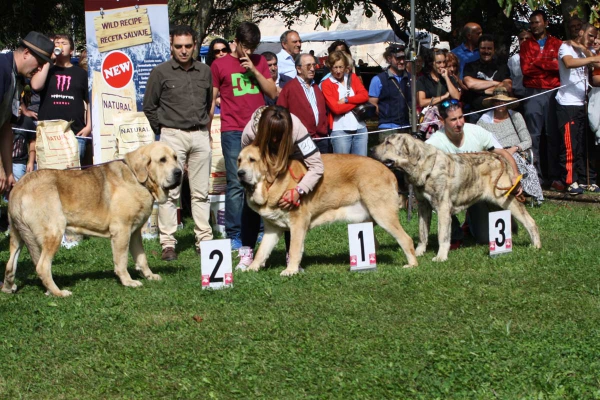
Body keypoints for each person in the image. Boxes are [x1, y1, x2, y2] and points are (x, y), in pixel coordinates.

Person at [143, 25, 213, 261]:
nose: (183, 51)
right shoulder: (160, 72)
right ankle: (168, 244)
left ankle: (205, 240)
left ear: (195, 45)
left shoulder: (205, 71)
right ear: (171, 46)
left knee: (201, 192)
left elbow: (207, 103)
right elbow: (149, 106)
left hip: (200, 134)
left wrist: (205, 130)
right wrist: (163, 133)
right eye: (178, 46)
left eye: (188, 46)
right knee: (170, 193)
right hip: (172, 135)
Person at [210, 21, 277, 250]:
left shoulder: (259, 62)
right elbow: (212, 99)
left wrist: (255, 70)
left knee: (259, 178)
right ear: (236, 41)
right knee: (236, 183)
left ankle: (259, 229)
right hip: (232, 129)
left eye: (253, 47)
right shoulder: (220, 64)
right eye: (245, 46)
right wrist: (206, 128)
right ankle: (235, 233)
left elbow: (272, 93)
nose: (249, 51)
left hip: (258, 130)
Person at [235, 106, 324, 270]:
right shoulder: (249, 134)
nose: (275, 140)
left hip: (293, 158)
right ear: (261, 131)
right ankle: (247, 252)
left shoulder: (298, 129)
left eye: (280, 136)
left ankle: (292, 256)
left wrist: (299, 190)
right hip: (263, 166)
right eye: (271, 136)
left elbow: (317, 166)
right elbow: (245, 159)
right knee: (250, 203)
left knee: (290, 205)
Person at [426, 100, 522, 247]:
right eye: (453, 119)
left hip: (479, 190)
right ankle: (454, 234)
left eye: (461, 117)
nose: (459, 123)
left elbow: (503, 153)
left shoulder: (476, 131)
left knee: (485, 239)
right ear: (441, 121)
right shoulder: (434, 143)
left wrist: (515, 176)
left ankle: (473, 222)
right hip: (451, 193)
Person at [0, 31, 53, 194]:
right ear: (26, 53)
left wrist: (9, 172)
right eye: (40, 63)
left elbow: (6, 127)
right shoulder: (1, 69)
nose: (39, 69)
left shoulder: (18, 79)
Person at [477, 87, 544, 204]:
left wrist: (514, 148)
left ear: (508, 103)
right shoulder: (484, 120)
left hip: (515, 151)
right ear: (493, 103)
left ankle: (521, 189)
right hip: (494, 152)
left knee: (515, 159)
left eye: (503, 101)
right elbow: (479, 139)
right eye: (497, 101)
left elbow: (527, 140)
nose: (500, 104)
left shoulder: (516, 116)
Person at [32, 33, 91, 165]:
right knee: (47, 176)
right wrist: (48, 60)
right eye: (56, 43)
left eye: (64, 43)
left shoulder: (81, 74)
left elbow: (89, 101)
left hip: (75, 132)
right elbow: (36, 85)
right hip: (48, 132)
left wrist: (88, 126)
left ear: (71, 51)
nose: (59, 45)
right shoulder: (46, 69)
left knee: (73, 177)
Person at [555, 23, 600, 194]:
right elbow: (568, 63)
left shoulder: (584, 50)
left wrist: (585, 50)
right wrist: (591, 58)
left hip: (583, 102)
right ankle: (570, 180)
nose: (593, 40)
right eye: (590, 35)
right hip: (568, 104)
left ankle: (585, 179)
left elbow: (596, 66)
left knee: (583, 144)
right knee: (569, 145)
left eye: (595, 37)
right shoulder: (566, 47)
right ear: (581, 32)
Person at [520, 10, 562, 188]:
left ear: (546, 23)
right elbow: (526, 70)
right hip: (533, 92)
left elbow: (559, 66)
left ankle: (553, 176)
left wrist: (537, 61)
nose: (534, 26)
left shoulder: (558, 43)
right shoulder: (525, 45)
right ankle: (534, 176)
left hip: (553, 91)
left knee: (552, 135)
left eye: (537, 22)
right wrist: (547, 62)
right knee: (533, 136)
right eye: (532, 23)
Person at [277, 53, 329, 154]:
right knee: (306, 168)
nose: (313, 69)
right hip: (302, 139)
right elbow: (281, 114)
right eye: (308, 65)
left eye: (314, 65)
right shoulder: (289, 88)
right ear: (299, 69)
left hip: (321, 138)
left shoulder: (316, 87)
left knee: (324, 168)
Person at [321, 51, 369, 156]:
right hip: (340, 130)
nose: (338, 71)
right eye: (335, 67)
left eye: (341, 67)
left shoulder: (352, 78)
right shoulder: (326, 84)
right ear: (330, 68)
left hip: (360, 127)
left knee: (361, 164)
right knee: (343, 166)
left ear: (345, 67)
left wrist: (346, 100)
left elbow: (365, 95)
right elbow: (336, 109)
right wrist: (356, 101)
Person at [463, 34, 512, 119]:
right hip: (476, 112)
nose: (486, 51)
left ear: (494, 50)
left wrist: (483, 91)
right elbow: (470, 84)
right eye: (483, 48)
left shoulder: (502, 66)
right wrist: (495, 83)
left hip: (498, 112)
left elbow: (507, 86)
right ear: (478, 49)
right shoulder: (470, 66)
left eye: (489, 48)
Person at [368, 44, 411, 140]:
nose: (402, 61)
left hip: (406, 126)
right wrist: (386, 115)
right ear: (389, 58)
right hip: (387, 128)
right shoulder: (378, 79)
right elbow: (372, 104)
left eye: (404, 58)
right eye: (398, 58)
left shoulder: (411, 78)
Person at [416, 49, 461, 137]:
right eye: (438, 63)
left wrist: (446, 78)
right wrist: (443, 97)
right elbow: (422, 102)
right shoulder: (423, 80)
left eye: (444, 62)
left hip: (448, 119)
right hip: (431, 121)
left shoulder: (450, 79)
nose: (442, 65)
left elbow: (456, 97)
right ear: (432, 63)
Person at [507, 30, 533, 98]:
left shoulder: (538, 57)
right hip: (518, 95)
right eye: (521, 39)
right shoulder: (513, 59)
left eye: (527, 38)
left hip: (534, 94)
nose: (524, 40)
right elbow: (509, 80)